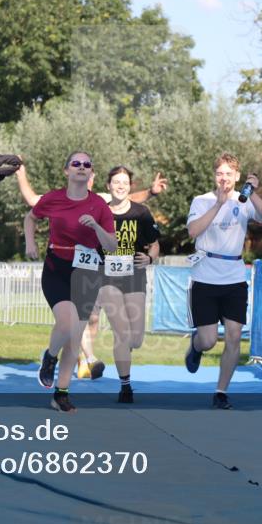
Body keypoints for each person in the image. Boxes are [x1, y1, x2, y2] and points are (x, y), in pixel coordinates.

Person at [13, 161, 168, 380]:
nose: (86, 177)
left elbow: (129, 199)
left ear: (94, 179)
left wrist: (151, 193)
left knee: (106, 327)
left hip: (122, 273)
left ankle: (82, 359)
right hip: (92, 271)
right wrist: (21, 175)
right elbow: (32, 202)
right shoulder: (75, 201)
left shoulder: (102, 201)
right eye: (80, 169)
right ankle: (86, 359)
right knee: (83, 318)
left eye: (89, 172)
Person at [24, 151, 118, 413]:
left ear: (90, 173)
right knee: (65, 324)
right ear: (67, 171)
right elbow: (31, 218)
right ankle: (49, 357)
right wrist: (30, 242)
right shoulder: (53, 198)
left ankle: (61, 393)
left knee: (75, 337)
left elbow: (111, 244)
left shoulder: (99, 205)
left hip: (87, 273)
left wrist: (97, 228)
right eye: (76, 163)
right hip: (57, 268)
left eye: (86, 164)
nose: (81, 167)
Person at [184, 153, 262, 410]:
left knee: (234, 336)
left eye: (228, 174)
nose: (224, 178)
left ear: (237, 176)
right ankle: (196, 345)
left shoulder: (243, 200)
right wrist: (218, 204)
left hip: (234, 276)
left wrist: (253, 191)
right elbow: (192, 231)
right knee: (209, 339)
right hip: (205, 276)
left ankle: (221, 391)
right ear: (215, 176)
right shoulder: (202, 200)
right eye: (219, 173)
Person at [99, 166, 160, 403]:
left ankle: (125, 352)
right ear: (108, 186)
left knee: (136, 339)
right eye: (116, 181)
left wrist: (150, 258)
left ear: (130, 186)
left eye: (124, 182)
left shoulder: (141, 213)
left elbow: (155, 244)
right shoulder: (99, 213)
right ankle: (125, 385)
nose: (120, 185)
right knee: (121, 334)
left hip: (135, 276)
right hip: (107, 277)